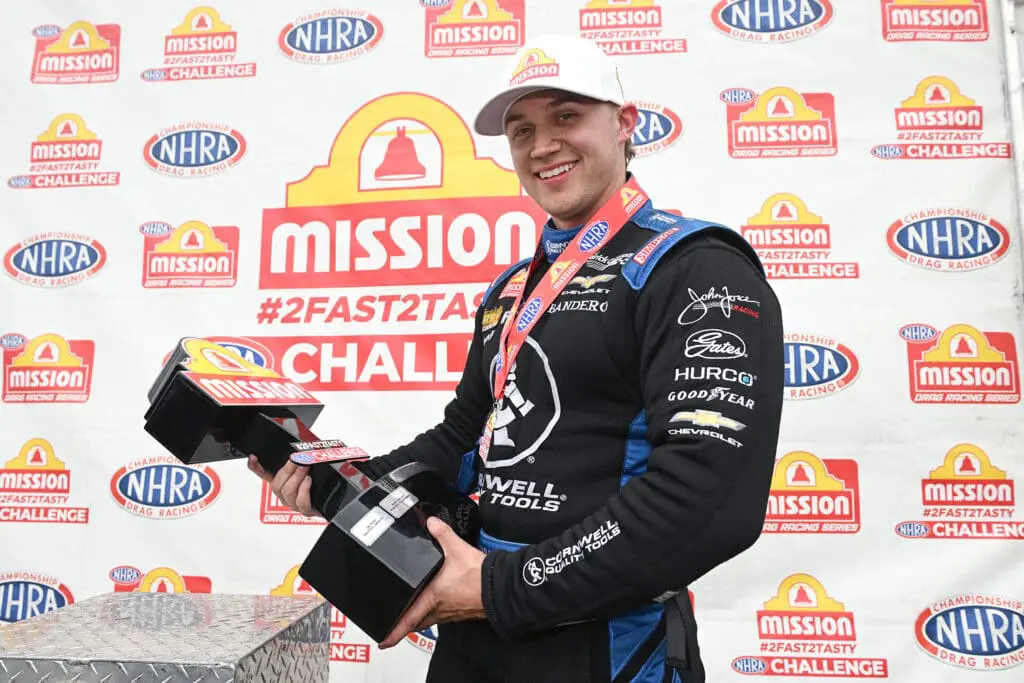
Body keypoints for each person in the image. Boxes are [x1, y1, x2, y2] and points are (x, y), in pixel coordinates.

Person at [249, 33, 784, 683]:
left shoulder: (696, 268)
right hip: (476, 630)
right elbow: (463, 441)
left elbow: (708, 497)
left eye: (566, 116)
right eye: (521, 130)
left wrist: (500, 585)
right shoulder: (511, 290)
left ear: (624, 123)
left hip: (603, 642)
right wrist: (338, 482)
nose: (542, 145)